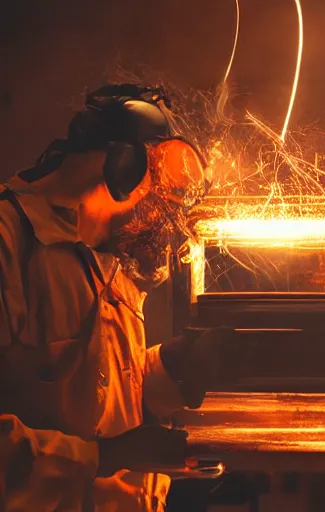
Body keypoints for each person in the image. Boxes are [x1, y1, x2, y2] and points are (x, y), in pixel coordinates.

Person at [0, 83, 230, 511]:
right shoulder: (11, 244)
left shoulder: (110, 257)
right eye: (162, 194)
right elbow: (107, 443)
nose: (167, 217)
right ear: (124, 168)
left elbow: (101, 396)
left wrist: (172, 368)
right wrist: (107, 458)